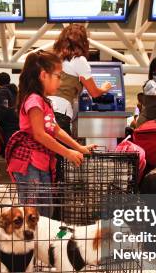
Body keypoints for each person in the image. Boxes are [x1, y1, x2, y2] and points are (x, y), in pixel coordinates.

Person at [5, 51, 96, 215]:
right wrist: (68, 152)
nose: (60, 82)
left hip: (41, 161)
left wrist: (79, 148)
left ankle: (44, 239)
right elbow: (40, 134)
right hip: (28, 163)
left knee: (46, 209)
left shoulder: (44, 101)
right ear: (43, 75)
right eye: (58, 76)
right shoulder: (34, 100)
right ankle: (34, 240)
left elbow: (55, 129)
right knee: (33, 213)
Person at [52, 24, 112, 131]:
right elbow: (94, 92)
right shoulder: (79, 60)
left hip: (46, 109)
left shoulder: (55, 57)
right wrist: (104, 88)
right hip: (60, 112)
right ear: (83, 41)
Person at [0, 72, 19, 148]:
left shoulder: (3, 91)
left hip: (9, 125)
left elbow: (4, 107)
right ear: (9, 80)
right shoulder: (15, 91)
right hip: (17, 123)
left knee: (10, 147)